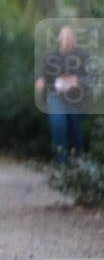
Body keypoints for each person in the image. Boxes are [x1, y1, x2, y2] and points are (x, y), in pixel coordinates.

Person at [35, 26, 88, 164]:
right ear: (58, 39)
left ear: (74, 40)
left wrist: (76, 81)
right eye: (63, 37)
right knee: (59, 125)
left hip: (76, 98)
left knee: (76, 131)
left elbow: (89, 77)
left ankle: (79, 161)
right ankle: (62, 164)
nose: (66, 40)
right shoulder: (52, 55)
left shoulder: (82, 56)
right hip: (56, 96)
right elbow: (43, 73)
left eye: (69, 37)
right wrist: (40, 80)